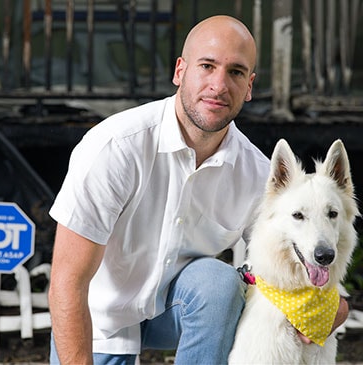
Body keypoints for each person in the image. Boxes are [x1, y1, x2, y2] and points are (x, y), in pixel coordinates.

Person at [48, 15, 348, 365]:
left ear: (249, 87)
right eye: (207, 66)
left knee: (219, 283)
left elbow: (294, 253)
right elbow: (67, 282)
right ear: (180, 71)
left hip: (182, 311)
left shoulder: (256, 174)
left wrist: (334, 310)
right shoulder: (114, 148)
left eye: (236, 72)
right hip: (99, 318)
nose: (219, 85)